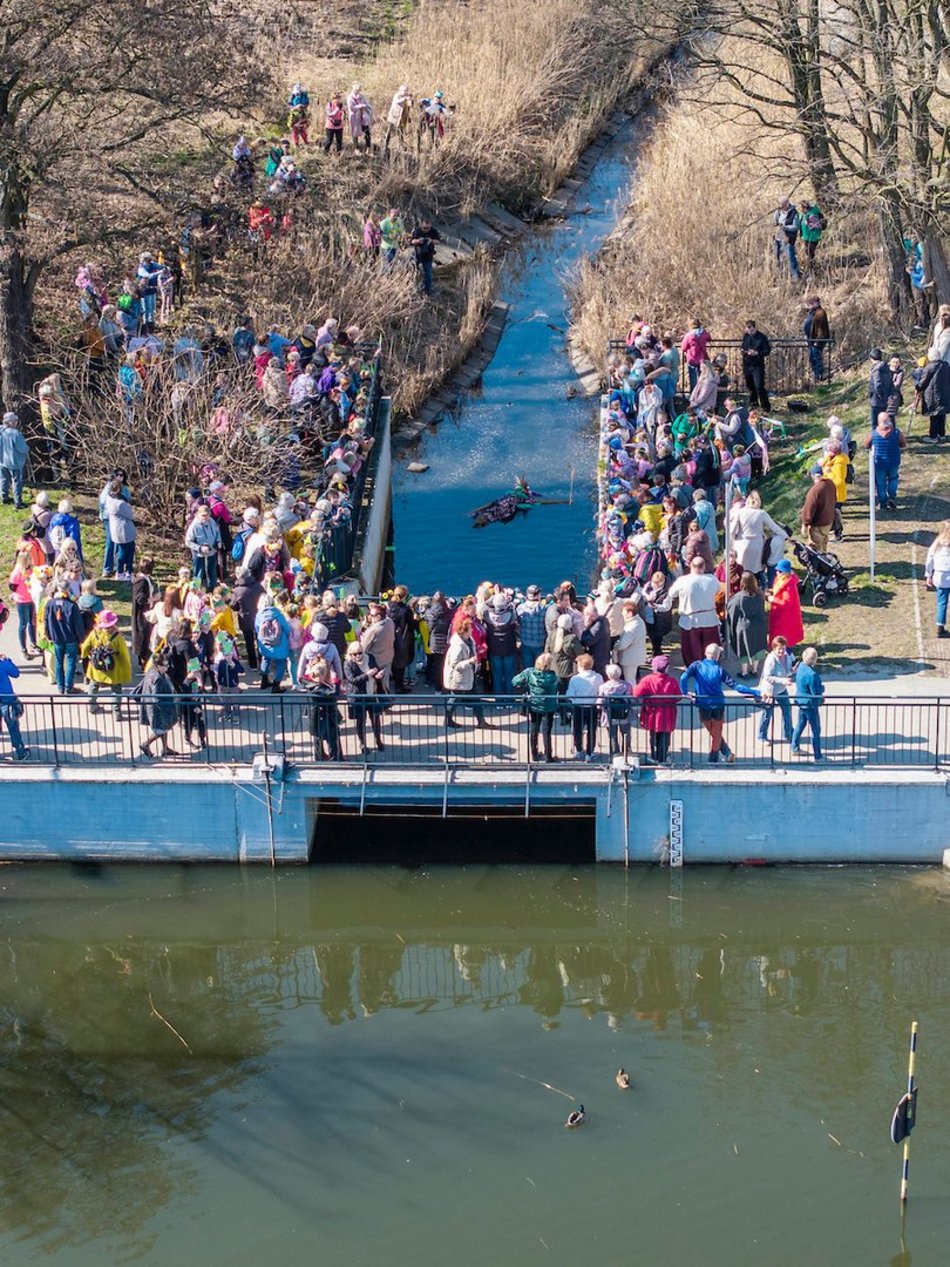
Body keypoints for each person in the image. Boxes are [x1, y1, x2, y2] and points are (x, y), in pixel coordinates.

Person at [680, 643, 757, 763]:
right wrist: (755, 692)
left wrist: (685, 693)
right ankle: (720, 755)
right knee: (716, 732)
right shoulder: (720, 670)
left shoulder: (696, 665)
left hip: (703, 703)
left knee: (713, 731)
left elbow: (683, 677)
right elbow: (736, 686)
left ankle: (720, 755)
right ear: (717, 656)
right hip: (718, 704)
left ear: (705, 654)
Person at [668, 557, 722, 665]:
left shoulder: (683, 580)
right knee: (709, 646)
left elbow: (671, 593)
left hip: (691, 618)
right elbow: (718, 590)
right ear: (704, 566)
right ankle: (709, 665)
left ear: (691, 566)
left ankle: (695, 667)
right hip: (708, 618)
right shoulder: (712, 579)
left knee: (692, 650)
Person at [81, 610, 132, 715]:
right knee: (116, 690)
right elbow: (124, 654)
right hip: (114, 668)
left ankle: (92, 706)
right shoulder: (117, 637)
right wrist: (126, 667)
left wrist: (86, 655)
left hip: (97, 667)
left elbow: (85, 647)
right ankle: (116, 712)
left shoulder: (94, 633)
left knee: (93, 686)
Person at [633, 654, 681, 764]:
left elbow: (636, 693)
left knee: (653, 735)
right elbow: (678, 697)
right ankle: (662, 757)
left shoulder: (647, 680)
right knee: (665, 735)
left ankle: (654, 756)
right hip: (668, 713)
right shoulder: (672, 681)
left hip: (652, 713)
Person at [513, 653, 560, 762]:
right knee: (546, 731)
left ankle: (534, 754)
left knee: (534, 729)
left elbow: (515, 681)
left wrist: (525, 686)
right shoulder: (553, 676)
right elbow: (559, 686)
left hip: (534, 705)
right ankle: (548, 756)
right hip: (549, 706)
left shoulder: (529, 672)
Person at [444, 617, 488, 728]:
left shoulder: (469, 640)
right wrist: (469, 662)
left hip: (469, 675)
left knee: (476, 698)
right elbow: (455, 665)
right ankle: (447, 720)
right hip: (459, 678)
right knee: (454, 699)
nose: (472, 630)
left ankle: (481, 721)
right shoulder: (457, 646)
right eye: (470, 629)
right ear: (464, 631)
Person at [343, 642, 387, 753]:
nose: (358, 656)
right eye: (354, 654)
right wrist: (367, 674)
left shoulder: (370, 657)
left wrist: (378, 675)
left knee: (375, 719)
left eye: (360, 653)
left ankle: (378, 740)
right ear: (350, 654)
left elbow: (376, 669)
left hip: (371, 693)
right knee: (360, 721)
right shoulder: (348, 663)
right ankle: (362, 743)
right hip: (358, 696)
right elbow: (352, 680)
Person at [44, 586, 85, 694]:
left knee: (58, 661)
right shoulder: (72, 605)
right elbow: (78, 624)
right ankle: (68, 687)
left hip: (57, 637)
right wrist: (81, 638)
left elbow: (46, 620)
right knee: (71, 661)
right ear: (67, 590)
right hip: (70, 638)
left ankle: (60, 687)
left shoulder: (50, 603)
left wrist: (48, 634)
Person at [726, 572, 768, 677]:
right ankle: (754, 670)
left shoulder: (739, 597)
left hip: (744, 626)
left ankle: (744, 672)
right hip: (758, 625)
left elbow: (731, 610)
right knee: (757, 647)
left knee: (743, 648)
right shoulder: (760, 595)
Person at [138, 652, 179, 759]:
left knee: (164, 727)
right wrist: (166, 705)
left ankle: (165, 748)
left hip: (156, 706)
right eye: (165, 665)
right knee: (160, 729)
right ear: (158, 666)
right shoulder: (156, 678)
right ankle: (146, 744)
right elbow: (156, 697)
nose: (168, 667)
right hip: (159, 708)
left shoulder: (153, 673)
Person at [565, 654, 604, 761]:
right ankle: (589, 752)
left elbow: (570, 694)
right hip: (593, 707)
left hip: (578, 706)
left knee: (577, 729)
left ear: (580, 666)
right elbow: (600, 692)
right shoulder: (598, 677)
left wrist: (575, 701)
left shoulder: (575, 679)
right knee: (592, 730)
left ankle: (578, 750)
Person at [757, 635, 795, 744]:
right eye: (779, 649)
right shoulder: (771, 659)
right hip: (770, 691)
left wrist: (792, 670)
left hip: (781, 689)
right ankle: (761, 736)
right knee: (767, 714)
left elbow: (787, 670)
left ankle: (788, 733)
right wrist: (783, 680)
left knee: (787, 710)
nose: (782, 651)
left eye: (783, 648)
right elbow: (767, 677)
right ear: (774, 648)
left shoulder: (786, 656)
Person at [864, 412, 906, 511]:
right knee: (893, 478)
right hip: (893, 461)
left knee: (880, 483)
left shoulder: (873, 433)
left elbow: (866, 444)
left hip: (879, 463)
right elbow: (903, 444)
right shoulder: (896, 432)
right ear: (889, 421)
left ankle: (883, 503)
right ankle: (892, 497)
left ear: (878, 421)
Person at [792, 646, 824, 760]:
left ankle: (794, 746)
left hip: (801, 701)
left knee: (800, 724)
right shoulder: (812, 675)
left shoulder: (801, 666)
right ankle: (817, 755)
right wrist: (821, 691)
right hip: (810, 705)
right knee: (816, 729)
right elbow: (815, 692)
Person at [101, 477, 137, 578]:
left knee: (125, 550)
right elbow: (130, 515)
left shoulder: (109, 499)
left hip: (117, 530)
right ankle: (122, 571)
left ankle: (125, 571)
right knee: (125, 552)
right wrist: (128, 506)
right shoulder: (120, 503)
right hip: (124, 531)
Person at [598, 663, 636, 757]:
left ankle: (615, 755)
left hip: (609, 715)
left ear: (608, 675)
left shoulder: (603, 687)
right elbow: (631, 700)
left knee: (612, 736)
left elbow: (599, 703)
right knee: (626, 734)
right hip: (625, 715)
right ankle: (627, 753)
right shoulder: (627, 685)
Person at [255, 597, 292, 692]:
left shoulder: (259, 615)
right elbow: (287, 628)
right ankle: (276, 685)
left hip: (265, 643)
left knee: (266, 659)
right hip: (279, 643)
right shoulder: (278, 614)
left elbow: (257, 628)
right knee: (281, 662)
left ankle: (264, 680)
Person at [768, 559, 804, 648]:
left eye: (780, 571)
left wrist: (774, 599)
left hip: (785, 617)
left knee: (783, 635)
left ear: (786, 572)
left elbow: (787, 603)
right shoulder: (780, 579)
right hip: (780, 614)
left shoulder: (789, 586)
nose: (777, 572)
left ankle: (783, 648)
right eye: (777, 570)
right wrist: (772, 592)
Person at [801, 466, 837, 552]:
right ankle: (825, 562)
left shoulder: (814, 491)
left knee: (815, 549)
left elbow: (809, 510)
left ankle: (820, 565)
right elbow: (835, 498)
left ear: (812, 476)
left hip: (818, 524)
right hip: (828, 521)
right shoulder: (830, 484)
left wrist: (805, 525)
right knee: (824, 543)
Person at [546, 612, 584, 692]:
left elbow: (547, 650)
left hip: (554, 669)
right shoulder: (572, 638)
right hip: (568, 671)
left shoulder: (552, 634)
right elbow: (580, 655)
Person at [362, 602, 396, 692]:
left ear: (378, 616)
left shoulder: (374, 630)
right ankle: (385, 702)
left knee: (373, 687)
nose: (370, 616)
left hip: (375, 662)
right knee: (385, 684)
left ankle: (376, 704)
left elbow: (363, 647)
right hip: (387, 658)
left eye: (372, 615)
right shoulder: (390, 622)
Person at [916, 353, 950, 442]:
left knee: (934, 415)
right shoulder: (946, 365)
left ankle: (933, 436)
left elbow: (923, 381)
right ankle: (941, 434)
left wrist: (918, 387)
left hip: (933, 395)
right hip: (944, 394)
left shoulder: (930, 367)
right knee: (942, 414)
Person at [924, 520, 950, 637]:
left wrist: (928, 574)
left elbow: (929, 559)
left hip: (940, 575)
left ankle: (940, 626)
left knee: (942, 602)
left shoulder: (937, 543)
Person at [740, 320, 771, 410]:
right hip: (747, 364)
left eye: (751, 329)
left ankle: (765, 406)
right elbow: (742, 346)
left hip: (757, 365)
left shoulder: (762, 337)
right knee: (750, 386)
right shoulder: (746, 336)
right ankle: (753, 404)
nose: (750, 331)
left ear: (755, 328)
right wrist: (743, 351)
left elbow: (767, 351)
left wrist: (757, 353)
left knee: (759, 386)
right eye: (748, 329)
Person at [613, 600, 647, 683]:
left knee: (630, 681)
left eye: (623, 612)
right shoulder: (637, 621)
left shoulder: (633, 626)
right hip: (634, 657)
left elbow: (622, 645)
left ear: (630, 613)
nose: (622, 613)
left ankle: (632, 695)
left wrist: (614, 645)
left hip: (630, 659)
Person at [0, 412, 29, 508]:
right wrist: (27, 449)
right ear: (10, 422)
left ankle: (4, 498)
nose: (16, 422)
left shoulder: (1, 431)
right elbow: (22, 448)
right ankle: (18, 502)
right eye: (15, 420)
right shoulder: (15, 433)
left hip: (2, 460)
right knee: (17, 481)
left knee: (4, 479)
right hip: (14, 462)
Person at [410, 219, 441, 295]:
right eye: (424, 228)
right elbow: (412, 241)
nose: (426, 230)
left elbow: (438, 241)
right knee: (413, 271)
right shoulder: (417, 231)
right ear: (421, 225)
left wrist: (431, 241)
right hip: (418, 253)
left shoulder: (434, 231)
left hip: (428, 254)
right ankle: (412, 288)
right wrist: (418, 241)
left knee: (428, 274)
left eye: (428, 228)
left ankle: (428, 291)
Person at [773, 197, 801, 280]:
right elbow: (775, 223)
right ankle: (781, 274)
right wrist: (775, 214)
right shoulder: (778, 212)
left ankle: (795, 276)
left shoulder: (794, 213)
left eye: (782, 205)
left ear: (787, 204)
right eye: (779, 204)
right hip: (778, 237)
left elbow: (796, 227)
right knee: (777, 257)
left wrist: (785, 227)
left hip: (788, 238)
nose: (780, 206)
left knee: (790, 257)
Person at [803, 296, 830, 381]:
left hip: (816, 340)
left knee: (816, 357)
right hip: (811, 340)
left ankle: (819, 375)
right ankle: (816, 374)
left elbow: (821, 329)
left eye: (810, 304)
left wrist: (817, 341)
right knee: (812, 357)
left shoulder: (820, 313)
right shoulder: (812, 313)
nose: (809, 306)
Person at [680, 318, 711, 390]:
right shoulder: (704, 333)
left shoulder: (689, 335)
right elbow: (709, 337)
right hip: (702, 358)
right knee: (703, 377)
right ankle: (702, 393)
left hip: (692, 358)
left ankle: (694, 394)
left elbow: (683, 347)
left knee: (693, 378)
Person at [868, 349, 894, 430]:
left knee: (875, 423)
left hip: (876, 400)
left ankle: (876, 440)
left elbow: (877, 385)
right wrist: (889, 397)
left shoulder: (876, 369)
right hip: (885, 399)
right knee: (883, 421)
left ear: (871, 358)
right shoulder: (886, 367)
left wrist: (880, 396)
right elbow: (891, 383)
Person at [346, 83, 373, 151]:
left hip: (363, 117)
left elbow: (367, 104)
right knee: (355, 132)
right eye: (356, 89)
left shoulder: (362, 96)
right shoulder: (350, 97)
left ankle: (368, 148)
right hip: (354, 117)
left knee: (367, 132)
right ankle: (356, 148)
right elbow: (351, 108)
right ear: (353, 89)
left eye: (359, 89)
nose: (358, 91)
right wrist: (360, 106)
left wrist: (368, 107)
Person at [799, 201, 826, 266]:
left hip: (813, 237)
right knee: (808, 252)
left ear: (804, 208)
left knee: (810, 252)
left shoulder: (812, 215)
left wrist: (810, 225)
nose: (800, 209)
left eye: (801, 208)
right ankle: (811, 264)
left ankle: (811, 266)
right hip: (806, 236)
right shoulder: (803, 214)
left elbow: (818, 226)